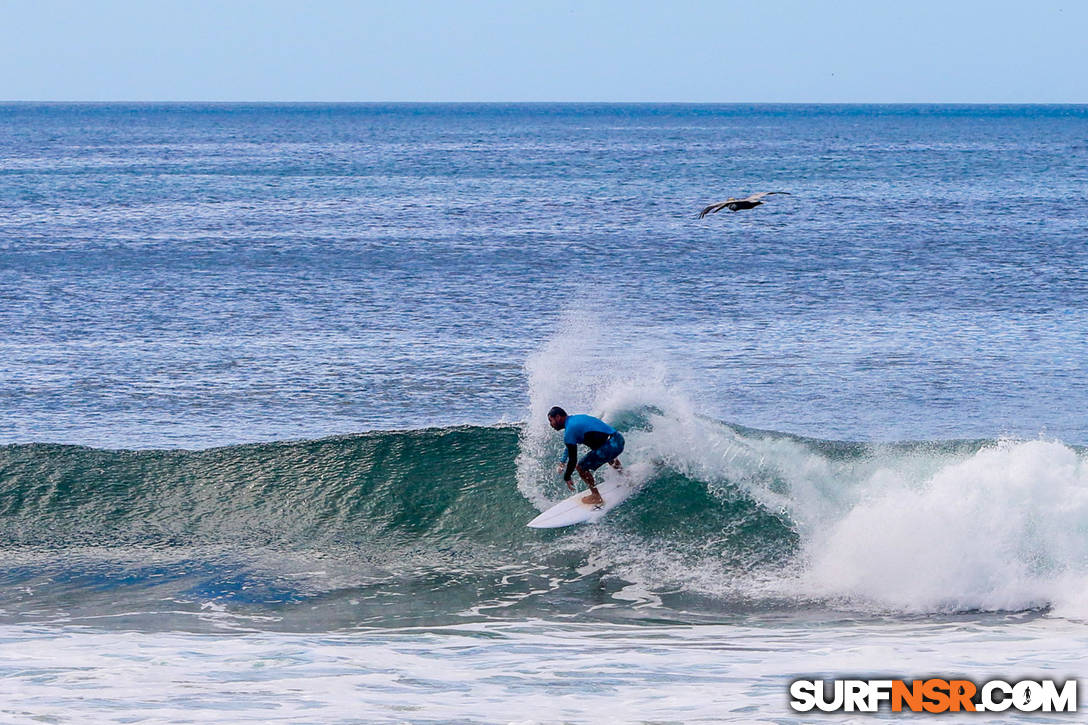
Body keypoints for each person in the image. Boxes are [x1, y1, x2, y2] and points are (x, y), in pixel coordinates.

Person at [547, 406, 624, 505]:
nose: (551, 424)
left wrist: (567, 477)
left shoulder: (570, 430)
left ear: (558, 417)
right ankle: (625, 476)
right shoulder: (575, 420)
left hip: (611, 447)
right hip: (618, 440)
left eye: (551, 420)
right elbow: (569, 445)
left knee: (581, 467)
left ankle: (596, 496)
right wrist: (562, 461)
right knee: (603, 451)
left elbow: (573, 459)